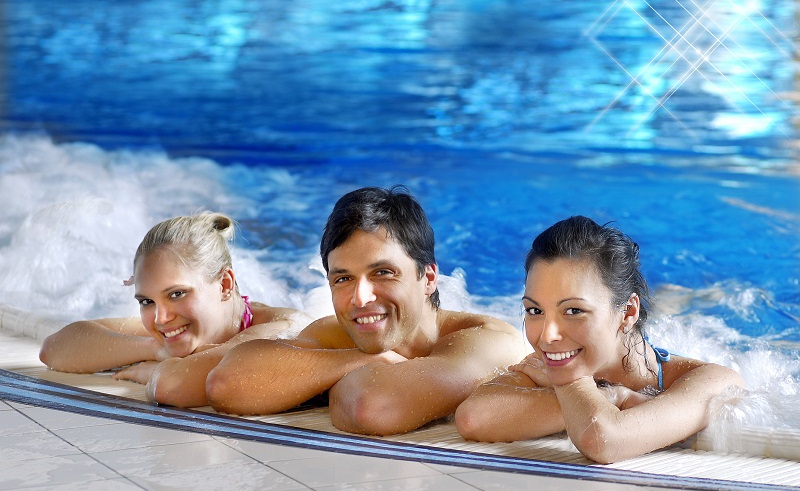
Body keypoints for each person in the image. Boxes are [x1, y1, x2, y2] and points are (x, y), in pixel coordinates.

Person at [206, 186, 526, 435]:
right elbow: (226, 384)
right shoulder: (336, 334)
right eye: (343, 278)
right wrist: (363, 359)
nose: (360, 298)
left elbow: (373, 406)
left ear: (428, 278)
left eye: (383, 272)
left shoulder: (489, 341)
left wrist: (318, 379)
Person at [455, 216, 744, 463]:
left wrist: (568, 382)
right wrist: (608, 394)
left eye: (573, 310)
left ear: (628, 311)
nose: (546, 336)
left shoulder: (712, 380)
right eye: (535, 310)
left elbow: (603, 439)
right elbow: (473, 418)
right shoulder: (549, 361)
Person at [39, 211, 304, 408]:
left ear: (224, 284)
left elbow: (172, 386)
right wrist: (156, 349)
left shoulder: (280, 327)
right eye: (147, 301)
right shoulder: (174, 326)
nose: (161, 318)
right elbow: (54, 349)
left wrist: (155, 370)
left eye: (177, 294)